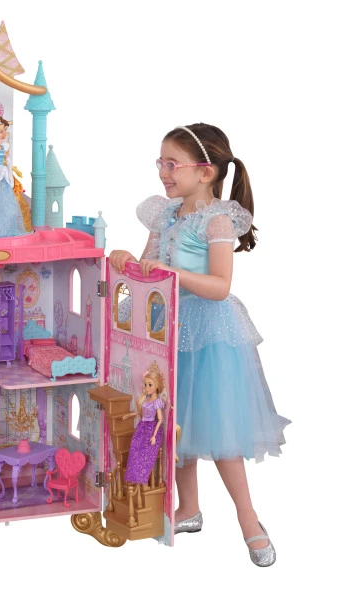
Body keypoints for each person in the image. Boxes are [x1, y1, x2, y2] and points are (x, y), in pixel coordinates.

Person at [109, 123, 290, 567]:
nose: (162, 172)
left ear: (205, 172)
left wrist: (175, 275)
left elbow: (220, 285)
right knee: (171, 419)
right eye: (160, 163)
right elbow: (149, 266)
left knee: (219, 428)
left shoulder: (217, 220)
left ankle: (248, 519)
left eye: (172, 164)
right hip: (163, 328)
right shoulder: (164, 215)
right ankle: (188, 508)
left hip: (208, 331)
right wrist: (127, 261)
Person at [121, 364, 165, 485]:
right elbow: (142, 412)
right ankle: (133, 477)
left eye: (150, 385)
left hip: (151, 428)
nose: (147, 387)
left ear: (157, 386)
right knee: (134, 448)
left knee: (144, 453)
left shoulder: (157, 402)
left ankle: (141, 478)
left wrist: (154, 436)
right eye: (145, 384)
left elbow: (160, 420)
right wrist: (130, 415)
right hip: (142, 427)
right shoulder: (146, 399)